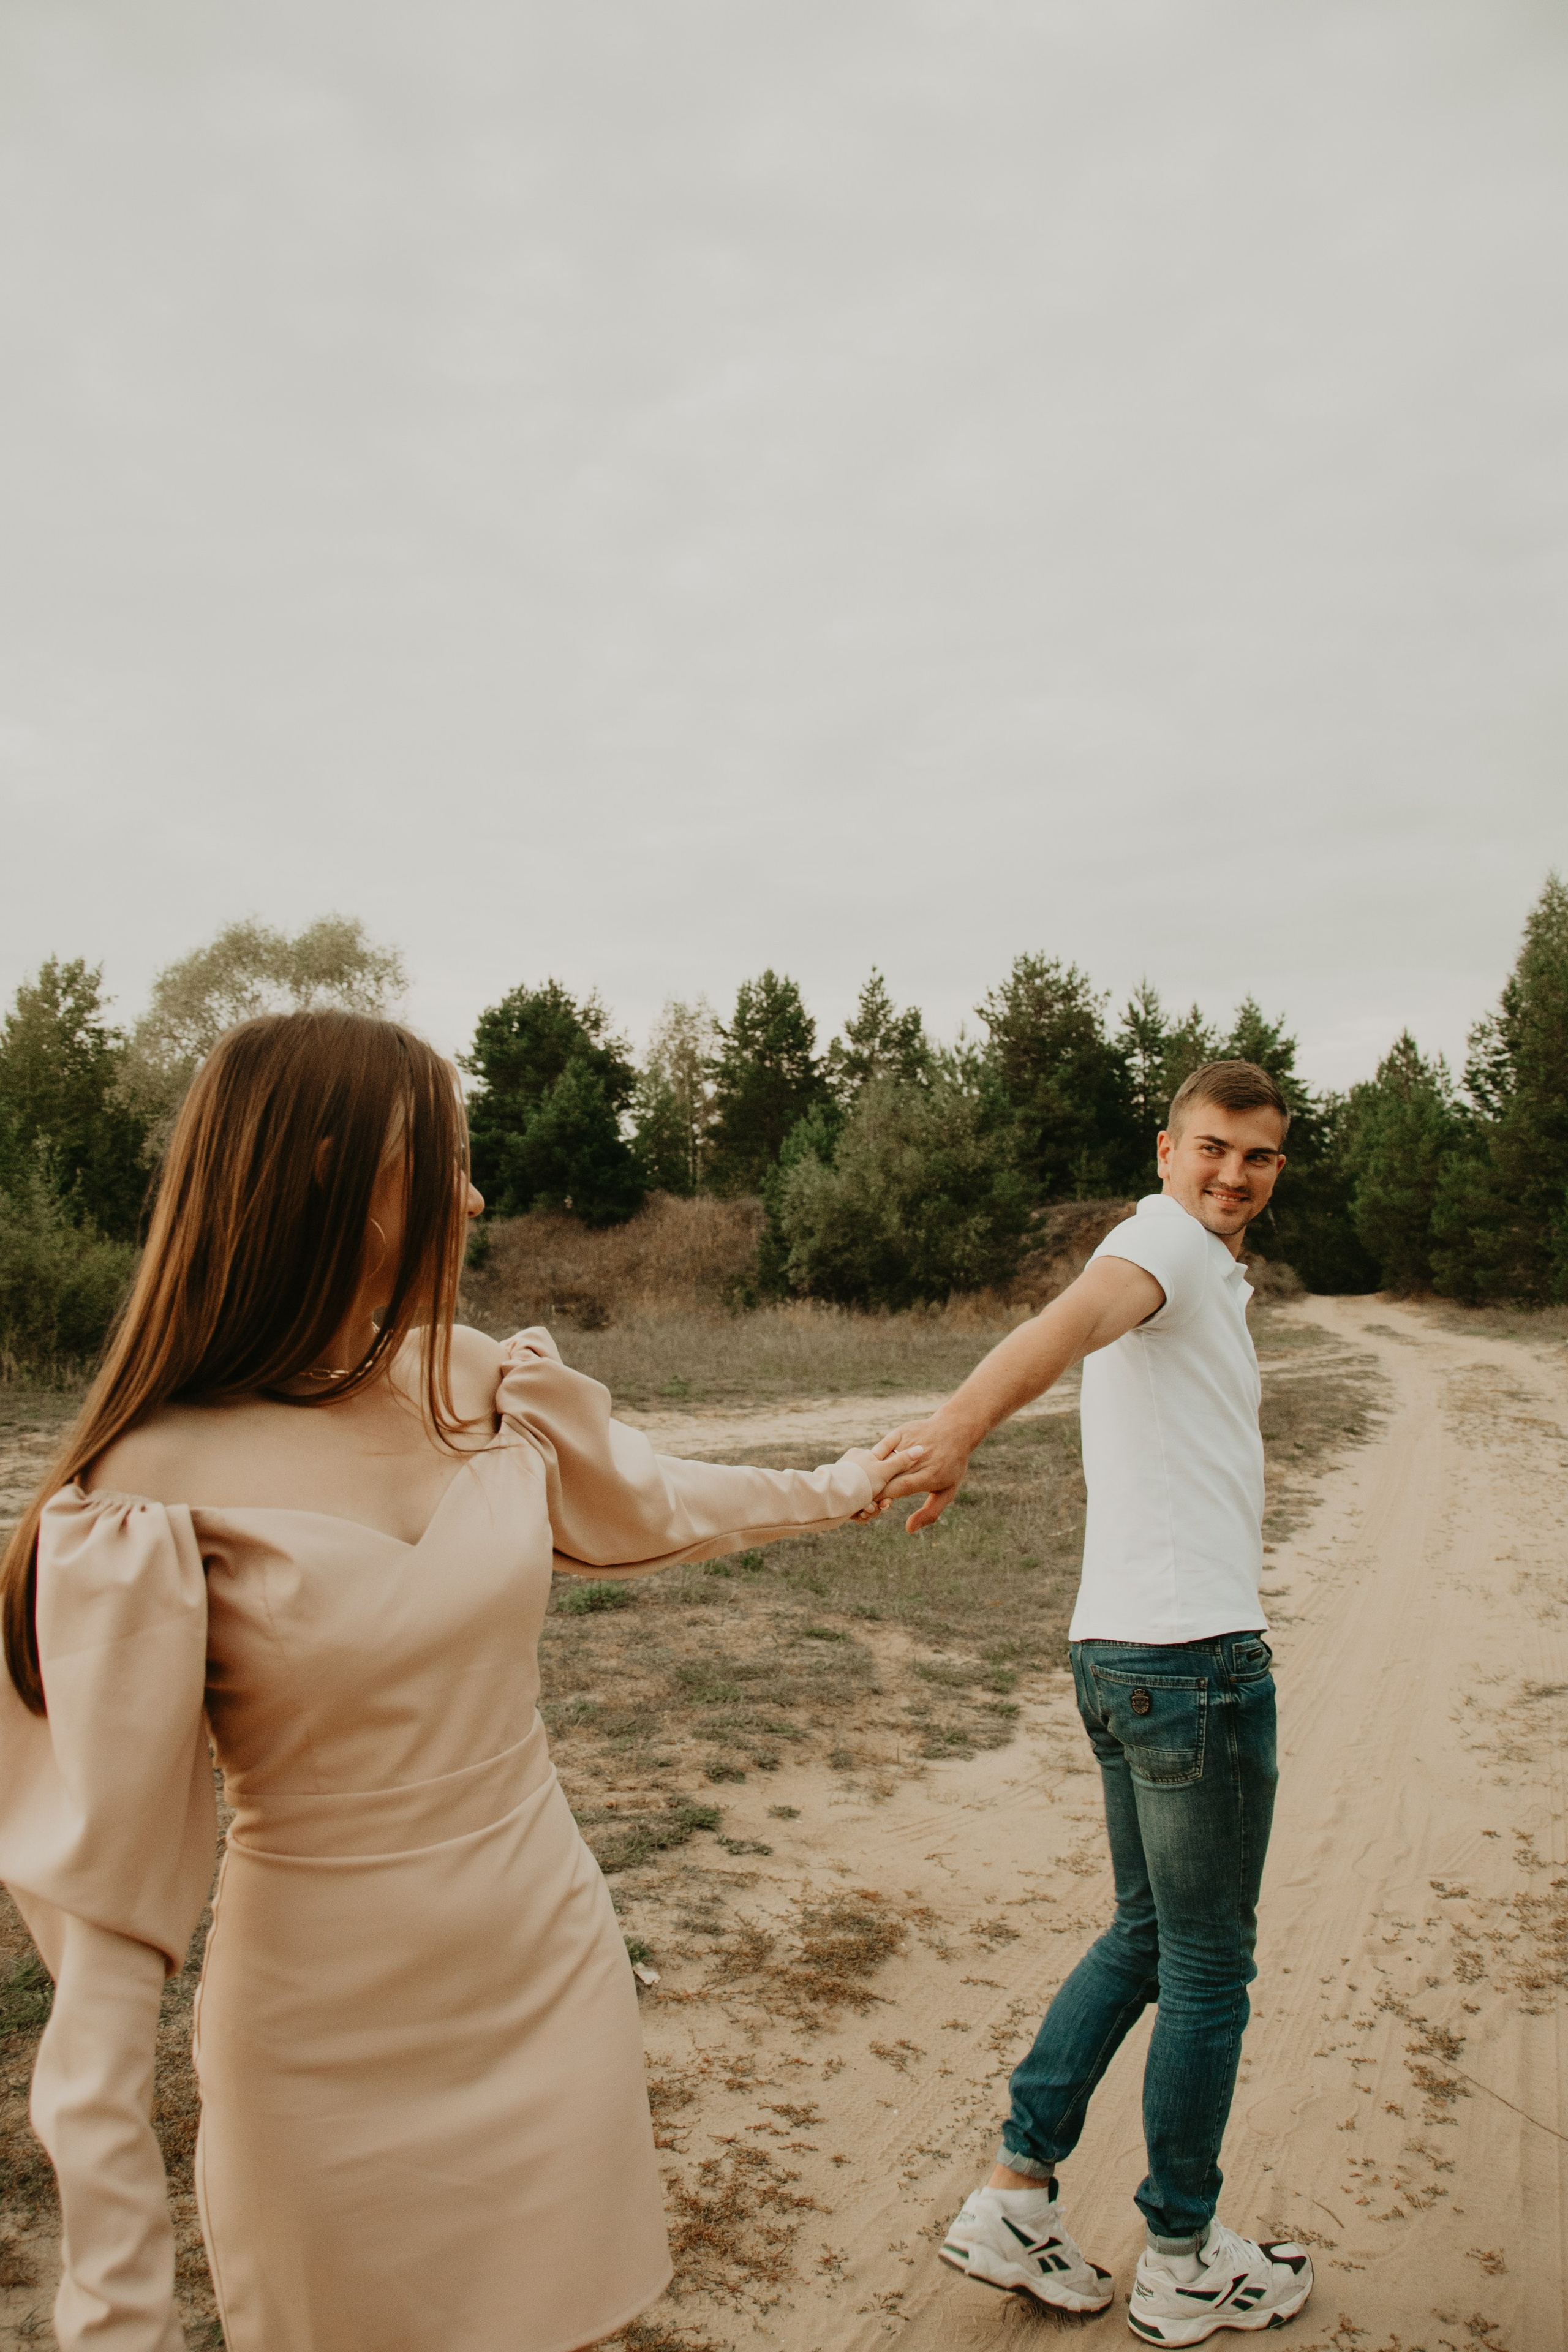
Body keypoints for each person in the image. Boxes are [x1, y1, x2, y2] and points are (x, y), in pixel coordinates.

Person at [0, 1009, 922, 2352]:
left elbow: (657, 1500)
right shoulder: (138, 1498)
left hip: (546, 1962)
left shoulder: (482, 1379)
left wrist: (845, 1484)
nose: (477, 1199)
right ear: (335, 1175)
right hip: (317, 2042)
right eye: (450, 1161)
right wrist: (113, 2317)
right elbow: (102, 1957)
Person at [875, 1060, 1314, 2345]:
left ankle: (1014, 2197)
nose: (1233, 1174)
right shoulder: (1161, 1243)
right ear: (1165, 1148)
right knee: (1208, 1968)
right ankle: (1182, 2257)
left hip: (1123, 1652)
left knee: (1145, 1934)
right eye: (1212, 1147)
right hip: (1189, 1662)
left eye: (1258, 1156)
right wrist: (960, 1425)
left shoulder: (1196, 1261)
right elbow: (1061, 1328)